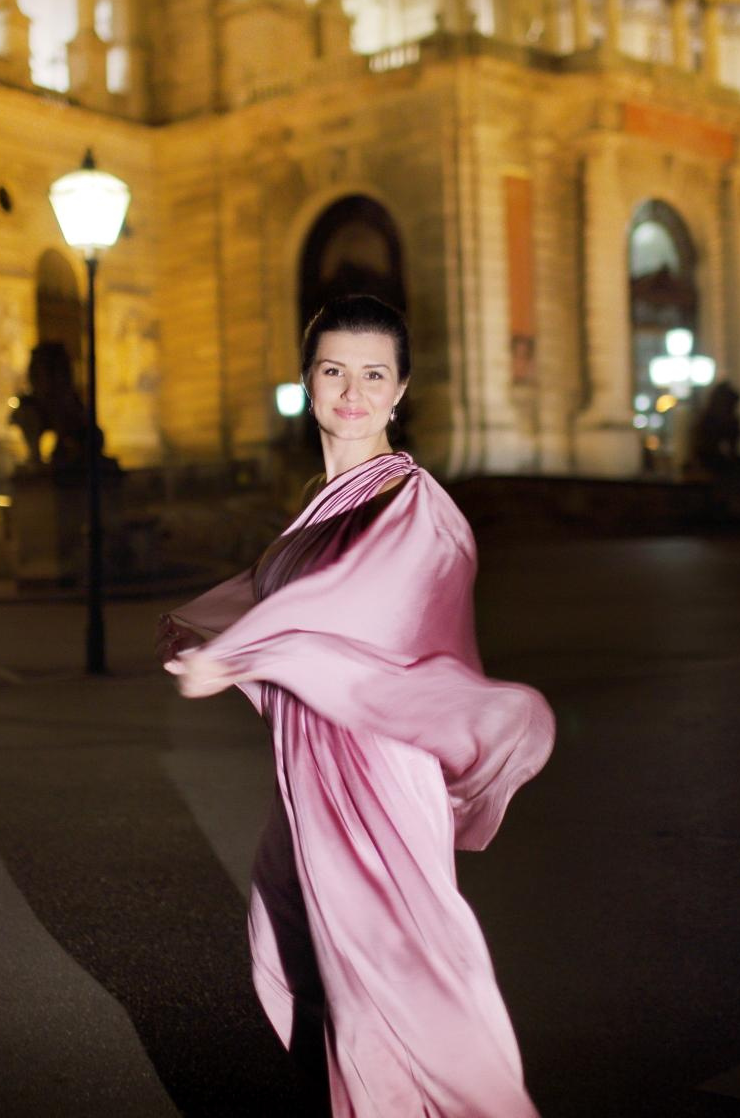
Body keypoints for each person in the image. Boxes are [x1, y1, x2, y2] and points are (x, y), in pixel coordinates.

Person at [159, 293, 553, 1117]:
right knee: (303, 946)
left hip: (373, 764)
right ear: (306, 380)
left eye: (373, 375)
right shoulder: (321, 504)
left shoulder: (411, 505)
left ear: (400, 391)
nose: (352, 391)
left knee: (404, 970)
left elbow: (351, 603)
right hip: (311, 767)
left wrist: (236, 654)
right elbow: (279, 595)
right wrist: (216, 638)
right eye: (333, 370)